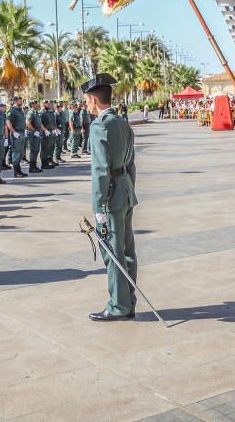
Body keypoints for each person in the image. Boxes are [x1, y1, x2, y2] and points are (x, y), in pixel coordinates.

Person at [82, 73, 138, 321]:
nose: (86, 106)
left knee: (112, 252)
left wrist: (99, 205)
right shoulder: (122, 122)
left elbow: (100, 170)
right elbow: (132, 164)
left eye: (86, 101)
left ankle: (118, 305)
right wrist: (129, 190)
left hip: (111, 196)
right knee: (127, 251)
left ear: (94, 100)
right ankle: (128, 300)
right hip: (126, 191)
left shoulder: (100, 126)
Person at [6, 96, 28, 178]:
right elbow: (8, 122)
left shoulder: (20, 110)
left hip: (21, 133)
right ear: (15, 101)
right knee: (16, 153)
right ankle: (16, 171)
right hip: (16, 134)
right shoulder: (12, 111)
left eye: (21, 100)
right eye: (19, 100)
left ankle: (19, 170)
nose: (21, 102)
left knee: (21, 152)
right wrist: (14, 132)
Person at [40, 100, 57, 169]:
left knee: (48, 148)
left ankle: (47, 162)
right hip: (44, 133)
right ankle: (44, 164)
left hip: (49, 132)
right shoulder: (42, 112)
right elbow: (40, 123)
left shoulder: (48, 112)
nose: (49, 105)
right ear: (43, 104)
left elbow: (51, 122)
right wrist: (45, 130)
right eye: (47, 104)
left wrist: (54, 129)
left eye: (49, 104)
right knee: (44, 149)